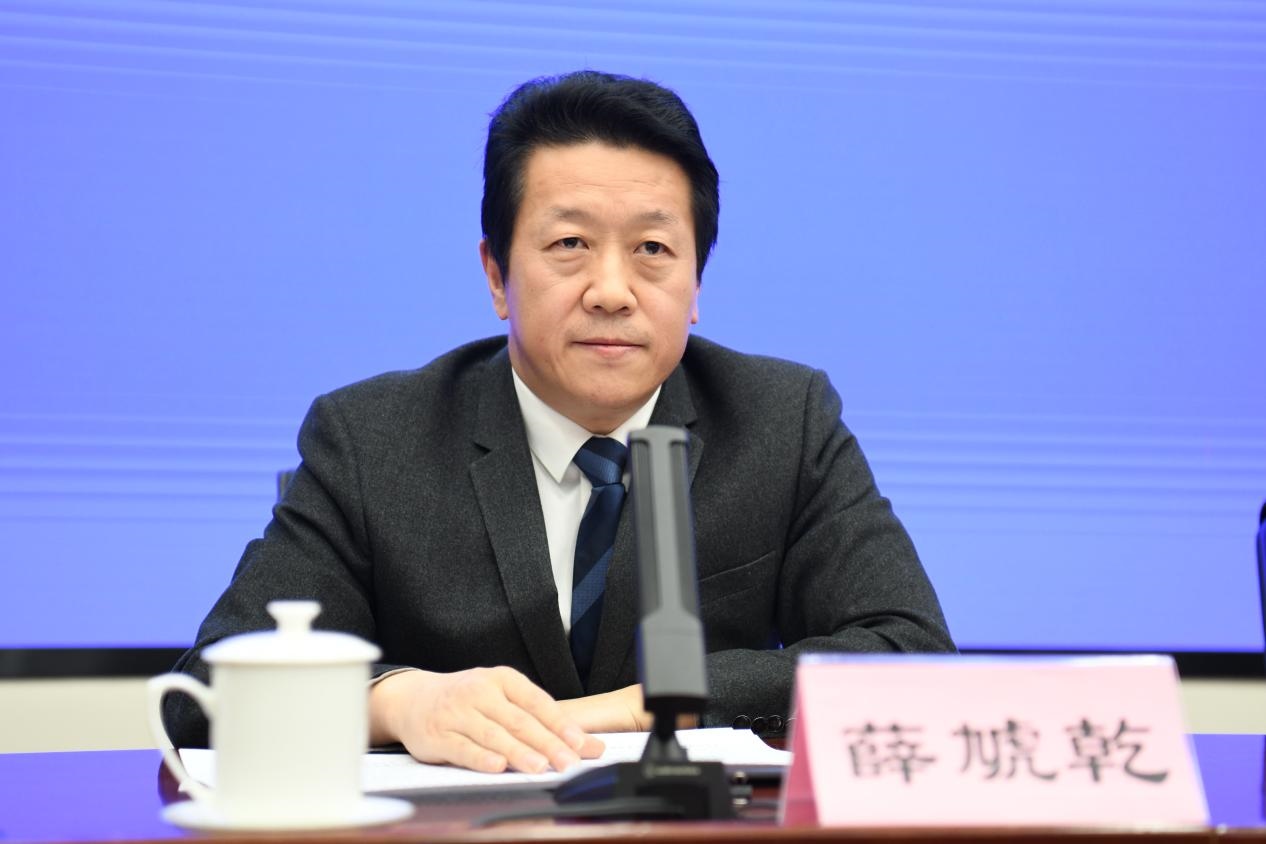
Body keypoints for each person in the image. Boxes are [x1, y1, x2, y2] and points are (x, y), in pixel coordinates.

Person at [165, 70, 955, 775]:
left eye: (652, 248)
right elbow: (202, 694)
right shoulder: (373, 438)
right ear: (496, 275)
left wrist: (651, 705)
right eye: (570, 243)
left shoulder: (783, 421)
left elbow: (912, 659)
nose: (612, 290)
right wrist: (399, 703)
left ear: (697, 284)